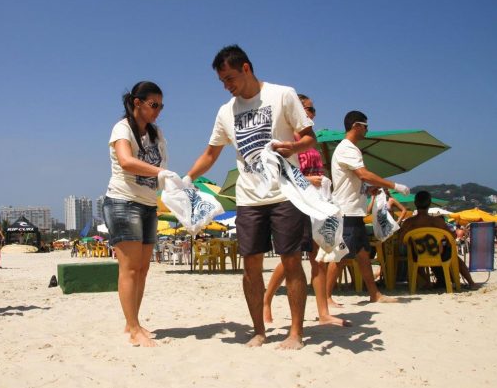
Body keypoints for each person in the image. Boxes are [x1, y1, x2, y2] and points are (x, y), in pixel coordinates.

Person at [185, 45, 315, 349]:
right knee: (251, 266)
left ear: (246, 68)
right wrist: (187, 179)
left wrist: (294, 148)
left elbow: (309, 137)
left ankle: (295, 332)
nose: (227, 86)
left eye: (230, 78)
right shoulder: (225, 112)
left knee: (291, 261)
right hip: (248, 197)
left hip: (284, 192)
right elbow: (211, 153)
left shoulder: (283, 94)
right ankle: (259, 330)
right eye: (222, 81)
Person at [263, 94, 348, 327]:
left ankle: (322, 312)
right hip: (295, 201)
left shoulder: (311, 140)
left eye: (313, 110)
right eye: (308, 109)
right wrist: (311, 179)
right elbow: (281, 173)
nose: (311, 114)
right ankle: (266, 299)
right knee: (291, 258)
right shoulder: (287, 137)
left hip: (315, 202)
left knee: (317, 258)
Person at [102, 81, 168, 347]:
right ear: (137, 102)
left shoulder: (156, 133)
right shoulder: (122, 128)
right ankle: (132, 327)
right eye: (154, 105)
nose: (158, 111)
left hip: (149, 204)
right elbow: (126, 161)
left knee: (142, 269)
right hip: (123, 201)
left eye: (161, 106)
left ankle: (134, 322)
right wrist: (161, 173)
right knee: (129, 268)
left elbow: (163, 166)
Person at [325, 111, 409, 304]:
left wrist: (367, 190)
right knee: (341, 256)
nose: (367, 129)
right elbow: (363, 174)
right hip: (347, 211)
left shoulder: (349, 149)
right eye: (365, 125)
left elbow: (355, 180)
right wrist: (393, 185)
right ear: (356, 126)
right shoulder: (348, 148)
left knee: (363, 254)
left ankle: (374, 294)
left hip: (354, 210)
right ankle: (327, 297)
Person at [399, 191, 477, 289]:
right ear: (429, 204)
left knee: (410, 255)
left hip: (417, 255)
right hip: (439, 254)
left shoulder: (408, 222)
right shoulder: (437, 221)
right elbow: (452, 237)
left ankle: (428, 281)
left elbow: (401, 239)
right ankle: (471, 283)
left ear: (415, 204)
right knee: (455, 257)